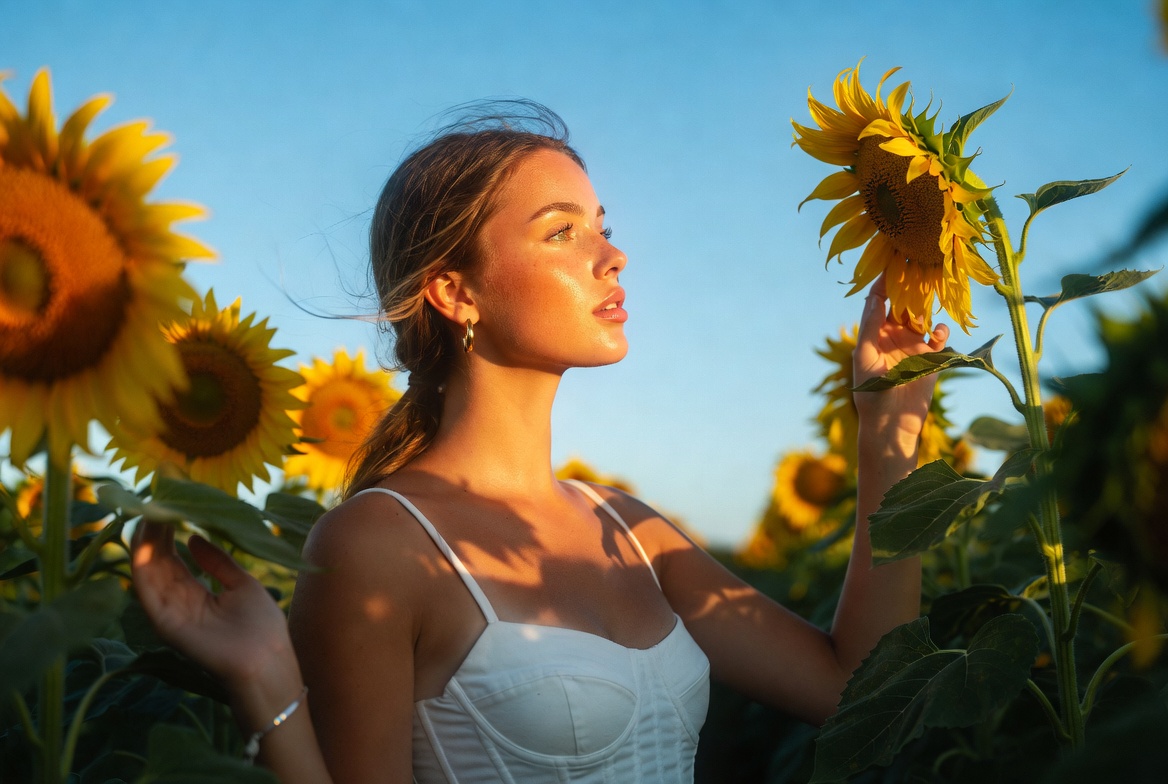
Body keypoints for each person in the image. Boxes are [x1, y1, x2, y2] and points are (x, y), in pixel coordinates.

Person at [131, 103, 948, 783]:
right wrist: (266, 676)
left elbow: (856, 687)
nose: (613, 256)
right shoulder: (378, 544)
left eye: (602, 226)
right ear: (455, 291)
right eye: (563, 233)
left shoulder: (630, 529)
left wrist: (889, 438)